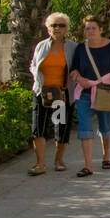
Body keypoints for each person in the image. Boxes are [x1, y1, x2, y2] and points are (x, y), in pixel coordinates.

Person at [70, 16, 110, 178]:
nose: (90, 31)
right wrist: (80, 79)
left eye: (93, 28)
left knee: (105, 126)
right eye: (87, 28)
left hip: (105, 91)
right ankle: (88, 165)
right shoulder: (81, 49)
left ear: (101, 30)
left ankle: (106, 156)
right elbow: (74, 70)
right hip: (84, 94)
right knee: (85, 130)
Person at [28, 12, 77, 175]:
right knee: (38, 128)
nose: (57, 28)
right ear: (47, 28)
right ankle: (40, 164)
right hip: (42, 94)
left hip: (61, 95)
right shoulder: (41, 46)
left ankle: (58, 160)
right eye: (53, 25)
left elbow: (76, 67)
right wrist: (36, 77)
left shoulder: (72, 47)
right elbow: (33, 64)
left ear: (66, 29)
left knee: (61, 127)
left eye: (61, 25)